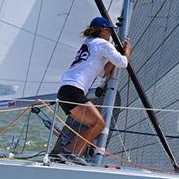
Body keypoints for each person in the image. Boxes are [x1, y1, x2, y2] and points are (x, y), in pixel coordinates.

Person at [56, 16, 131, 164]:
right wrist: (127, 51)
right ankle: (71, 153)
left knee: (94, 124)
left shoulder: (88, 43)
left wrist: (113, 55)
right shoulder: (103, 44)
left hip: (66, 90)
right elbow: (123, 63)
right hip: (74, 91)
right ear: (103, 30)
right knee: (98, 124)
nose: (110, 35)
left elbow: (103, 72)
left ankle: (70, 153)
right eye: (110, 31)